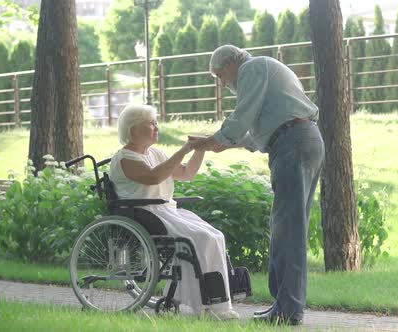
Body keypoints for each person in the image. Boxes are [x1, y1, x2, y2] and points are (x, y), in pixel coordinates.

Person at [192, 45, 325, 325]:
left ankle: (287, 310)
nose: (222, 82)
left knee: (288, 230)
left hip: (293, 144)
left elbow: (242, 117)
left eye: (220, 75)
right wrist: (221, 144)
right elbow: (257, 133)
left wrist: (214, 140)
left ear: (230, 64)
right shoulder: (267, 70)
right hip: (301, 140)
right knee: (287, 227)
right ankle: (284, 306)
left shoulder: (252, 68)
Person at [109, 104, 239, 320]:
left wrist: (199, 149)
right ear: (133, 130)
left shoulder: (157, 153)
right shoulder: (125, 158)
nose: (156, 127)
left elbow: (187, 173)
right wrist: (184, 149)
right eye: (151, 123)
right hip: (144, 213)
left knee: (215, 236)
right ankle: (209, 305)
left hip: (166, 210)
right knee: (201, 238)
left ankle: (217, 303)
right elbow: (153, 177)